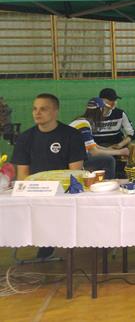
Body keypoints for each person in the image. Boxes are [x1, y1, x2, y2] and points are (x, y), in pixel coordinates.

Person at [11, 93, 86, 260]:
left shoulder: (72, 135)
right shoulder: (25, 138)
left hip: (62, 194)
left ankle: (54, 239)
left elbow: (75, 174)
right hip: (34, 193)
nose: (37, 113)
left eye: (43, 109)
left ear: (55, 111)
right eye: (35, 109)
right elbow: (22, 175)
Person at [69, 97, 130, 179]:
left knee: (106, 156)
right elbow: (94, 152)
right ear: (101, 110)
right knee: (109, 160)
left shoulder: (81, 121)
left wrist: (110, 150)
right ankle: (107, 184)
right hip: (73, 161)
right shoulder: (83, 125)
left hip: (73, 158)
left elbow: (94, 146)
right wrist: (119, 152)